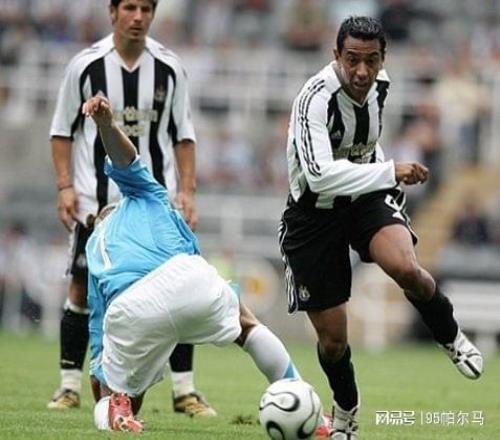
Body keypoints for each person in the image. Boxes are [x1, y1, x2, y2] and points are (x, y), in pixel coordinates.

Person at [278, 16, 483, 440]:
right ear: (336, 55)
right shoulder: (314, 99)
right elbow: (319, 177)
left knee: (406, 267)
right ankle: (346, 412)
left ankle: (450, 334)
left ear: (383, 59)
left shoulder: (381, 86)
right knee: (333, 341)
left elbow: (366, 144)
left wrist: (382, 171)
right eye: (352, 59)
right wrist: (391, 171)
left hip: (365, 198)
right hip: (313, 214)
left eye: (371, 60)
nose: (362, 71)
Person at [81, 94, 304, 432]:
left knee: (116, 394)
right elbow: (124, 158)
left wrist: (107, 385)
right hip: (184, 278)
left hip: (130, 309)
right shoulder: (145, 194)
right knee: (246, 325)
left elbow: (99, 336)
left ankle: (117, 412)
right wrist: (107, 125)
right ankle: (301, 398)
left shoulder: (94, 253)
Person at [48, 0, 209, 416]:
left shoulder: (170, 67)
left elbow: (184, 135)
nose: (138, 17)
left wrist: (187, 192)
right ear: (112, 11)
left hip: (154, 207)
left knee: (177, 290)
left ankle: (184, 391)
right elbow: (62, 130)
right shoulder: (85, 66)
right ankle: (68, 386)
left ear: (154, 14)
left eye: (146, 9)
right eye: (130, 7)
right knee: (82, 287)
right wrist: (65, 186)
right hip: (96, 203)